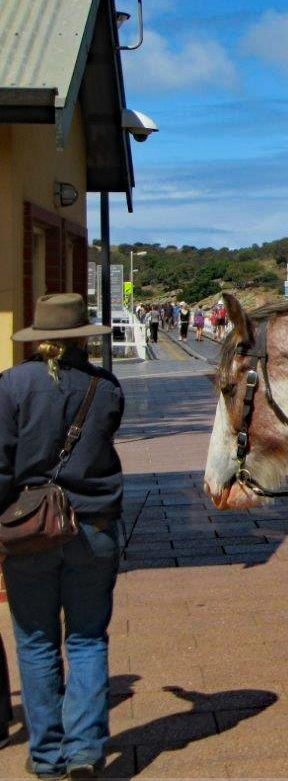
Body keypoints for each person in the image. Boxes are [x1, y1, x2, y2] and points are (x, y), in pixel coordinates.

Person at [0, 294, 123, 779]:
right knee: (88, 639)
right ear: (80, 337)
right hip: (92, 524)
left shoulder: (11, 386)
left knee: (35, 642)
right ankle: (86, 751)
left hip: (29, 529)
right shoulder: (106, 387)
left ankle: (47, 755)